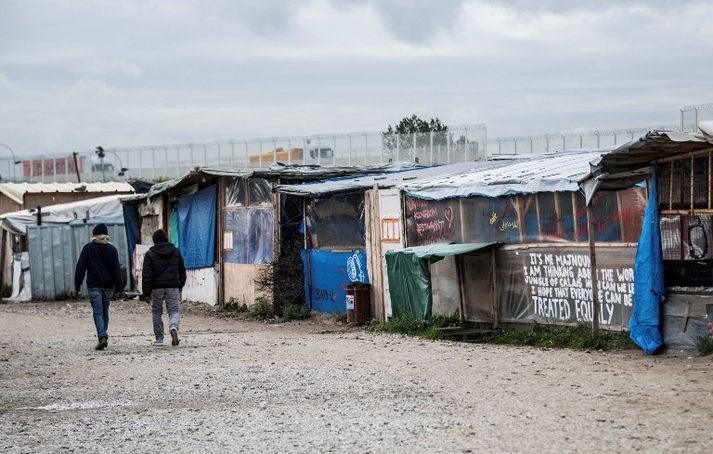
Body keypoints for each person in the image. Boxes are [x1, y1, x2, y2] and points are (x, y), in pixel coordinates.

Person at [75, 223, 124, 351]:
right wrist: (119, 288)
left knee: (98, 311)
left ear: (94, 235)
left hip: (94, 286)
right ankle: (103, 336)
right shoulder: (112, 250)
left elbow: (80, 267)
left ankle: (102, 336)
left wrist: (77, 284)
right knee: (104, 312)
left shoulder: (88, 248)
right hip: (108, 287)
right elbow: (116, 270)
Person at [142, 229, 186, 346]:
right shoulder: (176, 251)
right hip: (173, 286)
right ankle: (173, 327)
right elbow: (182, 271)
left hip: (156, 288)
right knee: (173, 310)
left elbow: (147, 275)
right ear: (166, 238)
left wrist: (146, 293)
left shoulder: (149, 254)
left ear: (154, 240)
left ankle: (159, 339)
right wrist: (180, 285)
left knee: (156, 311)